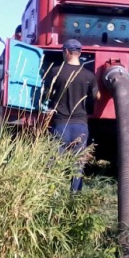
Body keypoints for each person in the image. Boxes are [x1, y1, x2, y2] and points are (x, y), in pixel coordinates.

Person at [45, 39, 100, 191]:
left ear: (67, 52)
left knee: (55, 163)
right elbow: (97, 97)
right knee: (78, 165)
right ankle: (74, 196)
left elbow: (47, 94)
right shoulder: (89, 76)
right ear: (79, 53)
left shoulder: (56, 71)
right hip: (80, 126)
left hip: (60, 124)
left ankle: (53, 194)